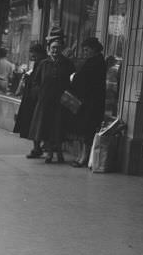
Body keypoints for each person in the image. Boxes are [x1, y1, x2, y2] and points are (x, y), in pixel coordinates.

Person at [29, 34, 76, 164]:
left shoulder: (67, 64)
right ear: (49, 49)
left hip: (60, 101)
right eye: (53, 48)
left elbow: (72, 80)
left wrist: (67, 95)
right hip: (45, 101)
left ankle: (59, 152)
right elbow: (36, 81)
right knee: (47, 127)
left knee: (59, 128)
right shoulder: (44, 63)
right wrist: (39, 93)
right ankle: (49, 153)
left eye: (58, 48)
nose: (55, 50)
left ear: (61, 49)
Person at [69, 37, 107, 167]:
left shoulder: (97, 63)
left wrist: (75, 77)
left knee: (86, 131)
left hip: (91, 102)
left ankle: (83, 157)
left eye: (87, 50)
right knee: (82, 130)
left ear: (94, 49)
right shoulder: (91, 61)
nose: (84, 52)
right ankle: (81, 155)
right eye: (84, 50)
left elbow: (85, 80)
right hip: (85, 101)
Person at [14, 42, 46, 156]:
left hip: (35, 99)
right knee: (33, 124)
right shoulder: (38, 63)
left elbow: (38, 80)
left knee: (35, 124)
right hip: (33, 97)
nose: (31, 55)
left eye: (33, 52)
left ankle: (38, 147)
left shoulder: (42, 63)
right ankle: (37, 147)